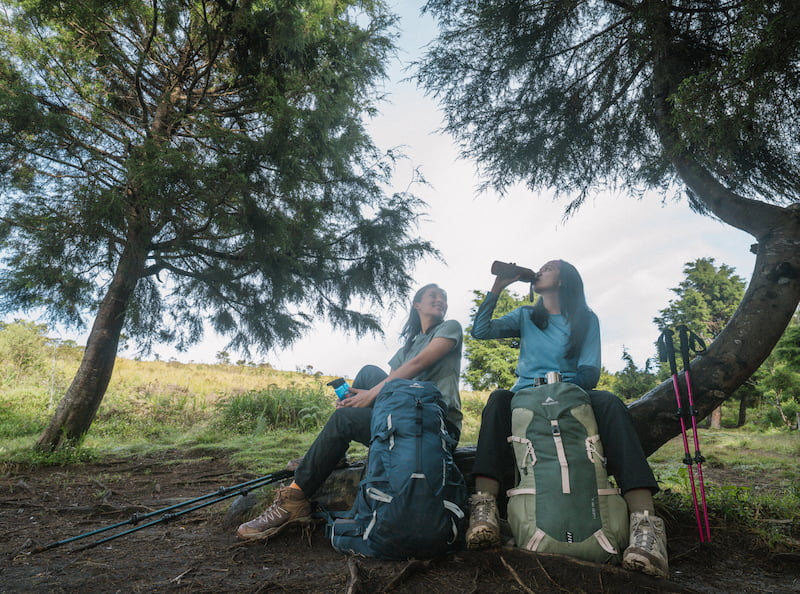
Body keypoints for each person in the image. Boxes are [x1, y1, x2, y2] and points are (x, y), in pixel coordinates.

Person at [465, 260, 668, 579]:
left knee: (612, 403)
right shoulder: (526, 316)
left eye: (548, 267)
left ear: (563, 280)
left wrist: (560, 390)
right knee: (496, 400)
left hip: (573, 392)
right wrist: (498, 287)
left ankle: (646, 529)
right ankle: (485, 510)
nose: (539, 271)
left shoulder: (586, 319)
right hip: (524, 393)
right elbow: (481, 331)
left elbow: (590, 371)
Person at [237, 283, 463, 541]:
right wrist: (359, 399)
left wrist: (367, 397)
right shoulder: (406, 348)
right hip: (406, 423)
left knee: (345, 418)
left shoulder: (450, 327)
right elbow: (389, 393)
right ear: (417, 304)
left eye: (444, 297)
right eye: (433, 296)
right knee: (368, 373)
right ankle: (337, 453)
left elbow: (418, 364)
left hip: (436, 425)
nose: (440, 300)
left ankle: (294, 499)